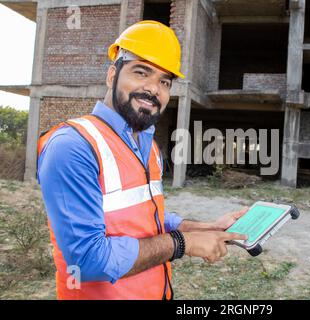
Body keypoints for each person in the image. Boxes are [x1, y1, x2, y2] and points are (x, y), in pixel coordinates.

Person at [37, 20, 247, 300]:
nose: (153, 89)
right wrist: (183, 243)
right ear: (112, 75)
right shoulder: (73, 146)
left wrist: (205, 227)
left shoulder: (148, 148)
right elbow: (86, 260)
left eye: (164, 81)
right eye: (141, 72)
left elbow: (146, 218)